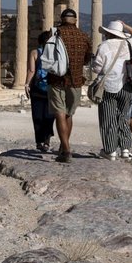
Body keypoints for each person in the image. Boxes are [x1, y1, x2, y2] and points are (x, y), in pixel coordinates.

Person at [92, 19, 132, 160]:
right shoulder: (128, 44)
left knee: (108, 118)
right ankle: (125, 149)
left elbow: (96, 68)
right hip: (126, 86)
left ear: (108, 34)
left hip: (107, 86)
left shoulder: (103, 46)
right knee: (123, 117)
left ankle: (110, 150)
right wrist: (125, 25)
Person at [46, 8, 93, 163]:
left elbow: (47, 56)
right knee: (69, 114)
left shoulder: (54, 34)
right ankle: (63, 145)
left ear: (61, 19)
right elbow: (88, 59)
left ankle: (66, 150)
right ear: (76, 20)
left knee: (59, 112)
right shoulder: (84, 37)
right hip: (76, 80)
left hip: (56, 79)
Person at [24, 31, 55, 152]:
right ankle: (47, 141)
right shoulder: (55, 53)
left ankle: (39, 141)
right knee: (49, 115)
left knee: (37, 115)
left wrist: (27, 84)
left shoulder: (35, 52)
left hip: (37, 88)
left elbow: (31, 70)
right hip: (52, 87)